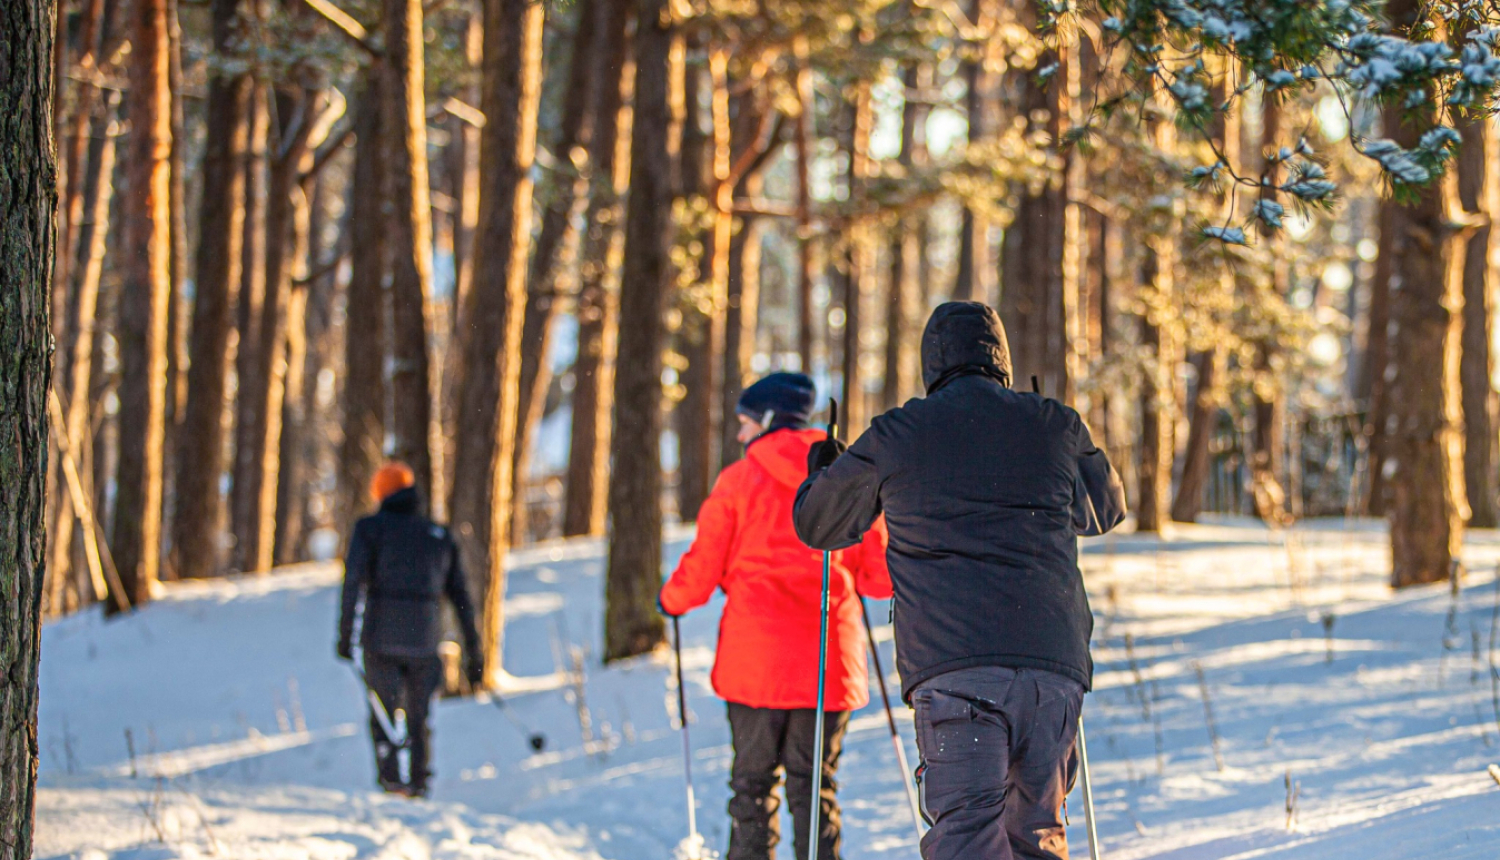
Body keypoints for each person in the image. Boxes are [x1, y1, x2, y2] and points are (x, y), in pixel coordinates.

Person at [793, 302, 1127, 860]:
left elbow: (819, 524)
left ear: (932, 364)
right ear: (1002, 360)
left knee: (967, 841)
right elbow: (1105, 509)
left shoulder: (898, 434)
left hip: (956, 671)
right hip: (1051, 668)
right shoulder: (1054, 423)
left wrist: (824, 469)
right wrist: (1050, 439)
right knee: (1038, 835)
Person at [659, 372, 892, 860]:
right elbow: (879, 579)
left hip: (756, 664)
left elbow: (701, 570)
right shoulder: (847, 479)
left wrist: (672, 600)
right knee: (814, 789)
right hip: (826, 662)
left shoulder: (739, 481)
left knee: (752, 788)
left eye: (745, 423)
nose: (740, 435)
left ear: (766, 420)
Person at [337, 462, 484, 798]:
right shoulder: (437, 534)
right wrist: (474, 651)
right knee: (419, 715)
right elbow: (461, 597)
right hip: (424, 639)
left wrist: (345, 637)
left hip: (380, 639)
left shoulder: (370, 529)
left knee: (383, 712)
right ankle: (419, 781)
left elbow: (352, 584)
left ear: (382, 493)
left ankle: (392, 782)